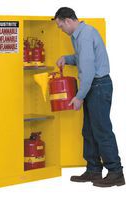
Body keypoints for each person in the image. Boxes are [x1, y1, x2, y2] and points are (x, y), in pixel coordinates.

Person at [53, 7, 125, 187]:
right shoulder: (81, 34)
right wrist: (67, 58)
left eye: (61, 26)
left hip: (98, 86)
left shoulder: (84, 36)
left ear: (68, 21)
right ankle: (94, 170)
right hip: (94, 85)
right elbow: (83, 58)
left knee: (101, 130)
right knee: (89, 130)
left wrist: (79, 96)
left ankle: (116, 172)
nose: (61, 29)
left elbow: (88, 70)